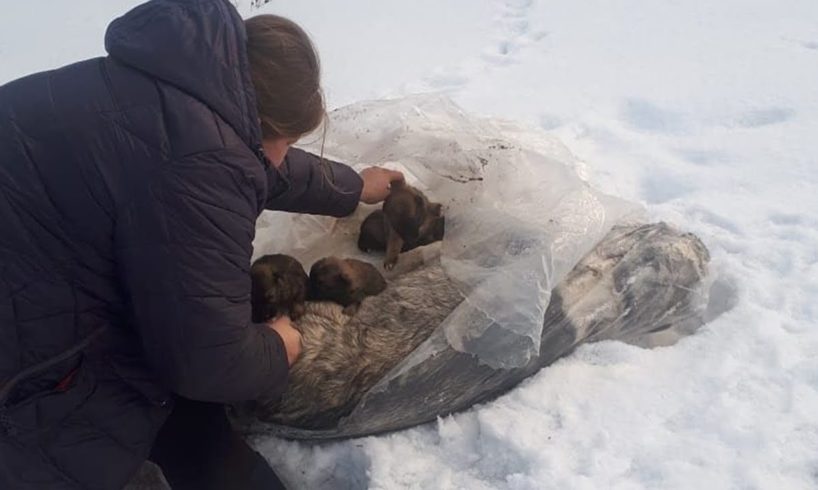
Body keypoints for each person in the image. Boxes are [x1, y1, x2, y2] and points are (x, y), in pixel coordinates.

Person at [0, 1, 402, 488]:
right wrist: (278, 346)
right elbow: (209, 363)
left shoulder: (170, 87)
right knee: (178, 424)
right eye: (288, 141)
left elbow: (251, 163)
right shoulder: (200, 164)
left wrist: (353, 188)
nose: (282, 158)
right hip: (28, 375)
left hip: (38, 274)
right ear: (264, 125)